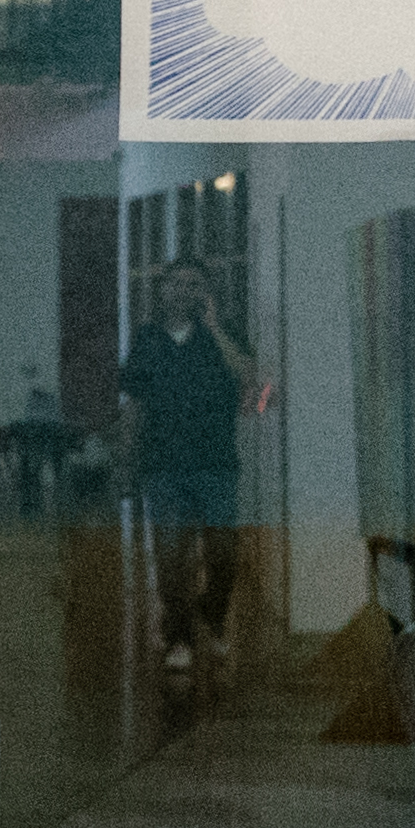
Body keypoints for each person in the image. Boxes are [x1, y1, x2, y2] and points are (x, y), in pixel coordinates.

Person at [124, 260, 271, 690]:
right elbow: (135, 402)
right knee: (171, 559)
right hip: (163, 466)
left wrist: (214, 327)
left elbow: (250, 379)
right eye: (177, 284)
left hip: (216, 464)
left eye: (195, 285)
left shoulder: (222, 336)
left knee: (224, 555)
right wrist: (128, 462)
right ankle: (179, 638)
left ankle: (209, 613)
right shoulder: (147, 339)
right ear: (164, 289)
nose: (185, 291)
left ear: (205, 292)